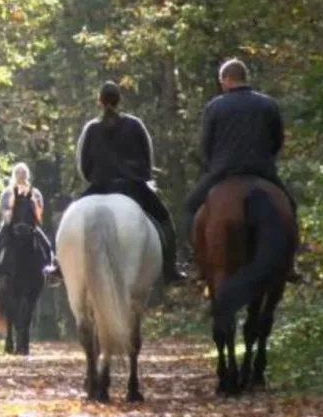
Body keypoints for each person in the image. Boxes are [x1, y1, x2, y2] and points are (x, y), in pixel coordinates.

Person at [75, 81, 185, 283]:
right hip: (133, 186)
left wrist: (95, 179)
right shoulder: (135, 125)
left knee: (70, 217)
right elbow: (147, 159)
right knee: (164, 219)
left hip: (99, 187)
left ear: (99, 101)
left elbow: (84, 165)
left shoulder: (91, 129)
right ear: (119, 100)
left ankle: (58, 263)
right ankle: (171, 269)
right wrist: (139, 176)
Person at [183, 58, 296, 229]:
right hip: (263, 171)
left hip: (223, 172)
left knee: (191, 207)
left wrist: (212, 165)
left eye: (222, 82)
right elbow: (278, 141)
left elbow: (206, 146)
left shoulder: (214, 107)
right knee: (290, 206)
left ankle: (195, 254)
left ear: (227, 79)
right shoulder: (268, 104)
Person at [0, 163, 57, 278]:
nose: (21, 175)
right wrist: (8, 216)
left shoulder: (35, 193)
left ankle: (50, 272)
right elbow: (3, 209)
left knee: (47, 246)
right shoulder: (7, 192)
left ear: (27, 175)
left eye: (23, 172)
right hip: (10, 226)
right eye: (18, 172)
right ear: (14, 175)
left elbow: (40, 209)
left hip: (30, 226)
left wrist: (33, 209)